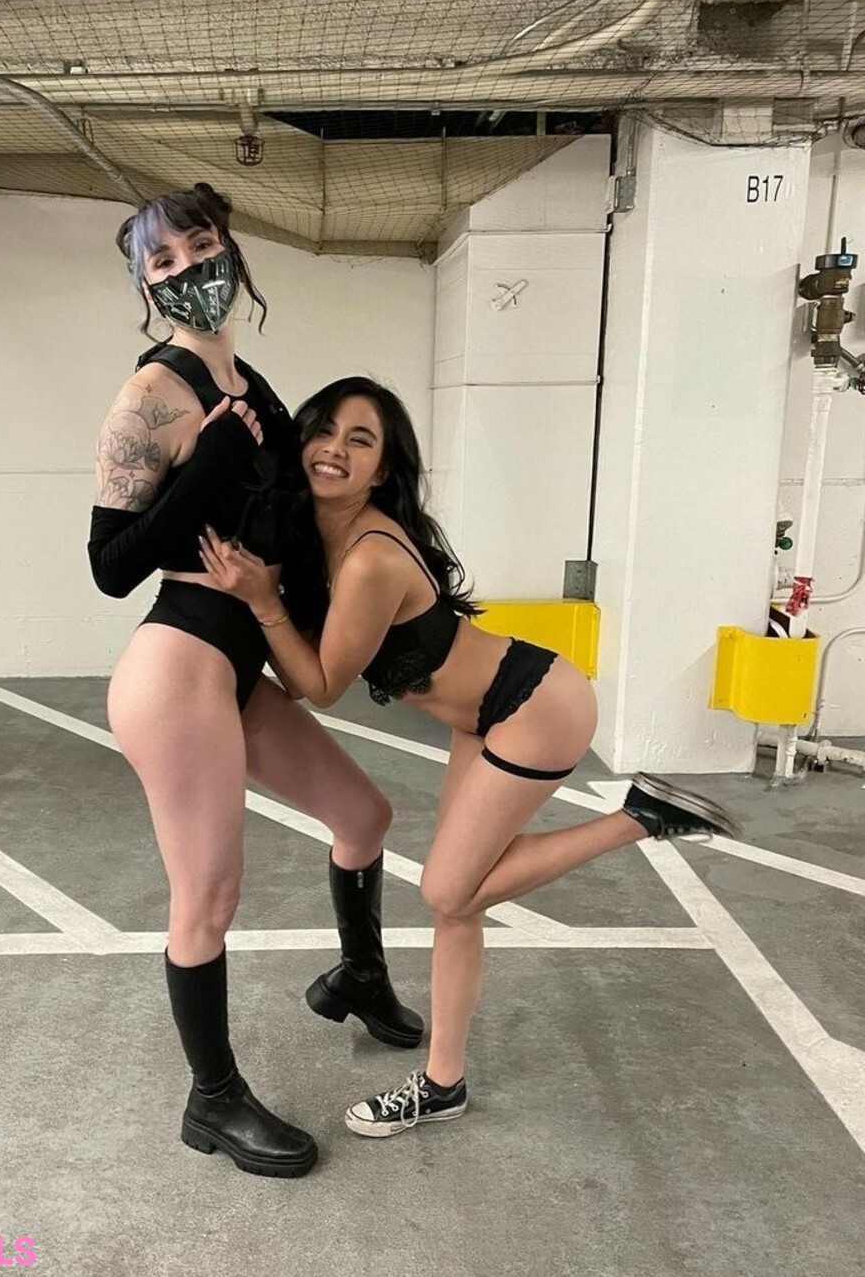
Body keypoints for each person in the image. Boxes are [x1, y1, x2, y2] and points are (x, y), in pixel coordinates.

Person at [198, 375, 741, 1139]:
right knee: (464, 904)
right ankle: (443, 1083)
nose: (335, 449)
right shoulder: (324, 539)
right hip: (486, 714)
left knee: (447, 892)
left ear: (382, 469)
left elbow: (319, 686)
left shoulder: (369, 557)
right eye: (325, 430)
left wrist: (261, 602)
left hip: (535, 707)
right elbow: (302, 669)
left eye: (361, 439)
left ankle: (641, 818)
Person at [88, 192, 422, 1178]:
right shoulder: (151, 395)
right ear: (146, 284)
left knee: (364, 815)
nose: (189, 266)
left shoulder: (253, 384)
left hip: (237, 665)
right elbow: (111, 564)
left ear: (231, 251)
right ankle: (213, 1099)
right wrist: (212, 463)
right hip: (178, 664)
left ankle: (360, 976)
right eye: (164, 259)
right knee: (208, 897)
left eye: (202, 244)